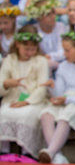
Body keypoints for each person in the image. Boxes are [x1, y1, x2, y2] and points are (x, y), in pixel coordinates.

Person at [38, 31, 75, 164]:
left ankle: (50, 152)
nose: (64, 54)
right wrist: (52, 87)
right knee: (46, 114)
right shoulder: (63, 66)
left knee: (65, 117)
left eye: (67, 50)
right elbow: (60, 93)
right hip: (65, 100)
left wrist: (67, 100)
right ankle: (57, 155)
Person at [0, 25, 49, 157]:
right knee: (4, 113)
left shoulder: (41, 61)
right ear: (17, 45)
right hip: (12, 99)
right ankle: (5, 152)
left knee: (26, 116)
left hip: (33, 101)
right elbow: (1, 84)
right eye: (26, 49)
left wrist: (27, 101)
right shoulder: (9, 60)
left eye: (33, 49)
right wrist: (6, 84)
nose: (29, 53)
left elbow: (42, 87)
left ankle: (27, 153)